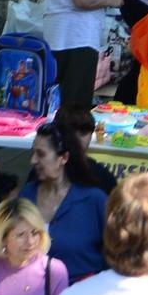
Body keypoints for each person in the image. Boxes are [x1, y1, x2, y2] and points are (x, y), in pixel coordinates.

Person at [20, 120, 107, 283]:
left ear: (64, 157)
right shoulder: (27, 195)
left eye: (41, 154)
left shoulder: (94, 200)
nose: (33, 160)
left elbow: (117, 253)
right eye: (33, 153)